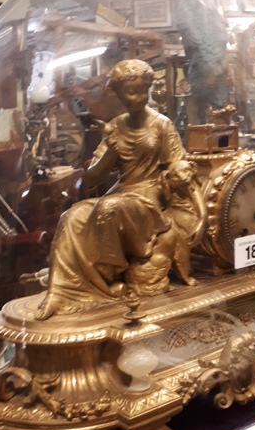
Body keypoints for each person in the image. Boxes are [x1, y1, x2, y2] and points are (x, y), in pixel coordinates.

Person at [36, 59, 205, 318]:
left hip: (151, 200)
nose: (137, 97)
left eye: (142, 91)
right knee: (71, 217)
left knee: (108, 207)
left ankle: (108, 280)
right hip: (121, 193)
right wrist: (111, 151)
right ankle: (60, 293)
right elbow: (92, 178)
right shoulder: (114, 127)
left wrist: (198, 213)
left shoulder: (162, 125)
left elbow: (179, 169)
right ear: (117, 92)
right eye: (130, 91)